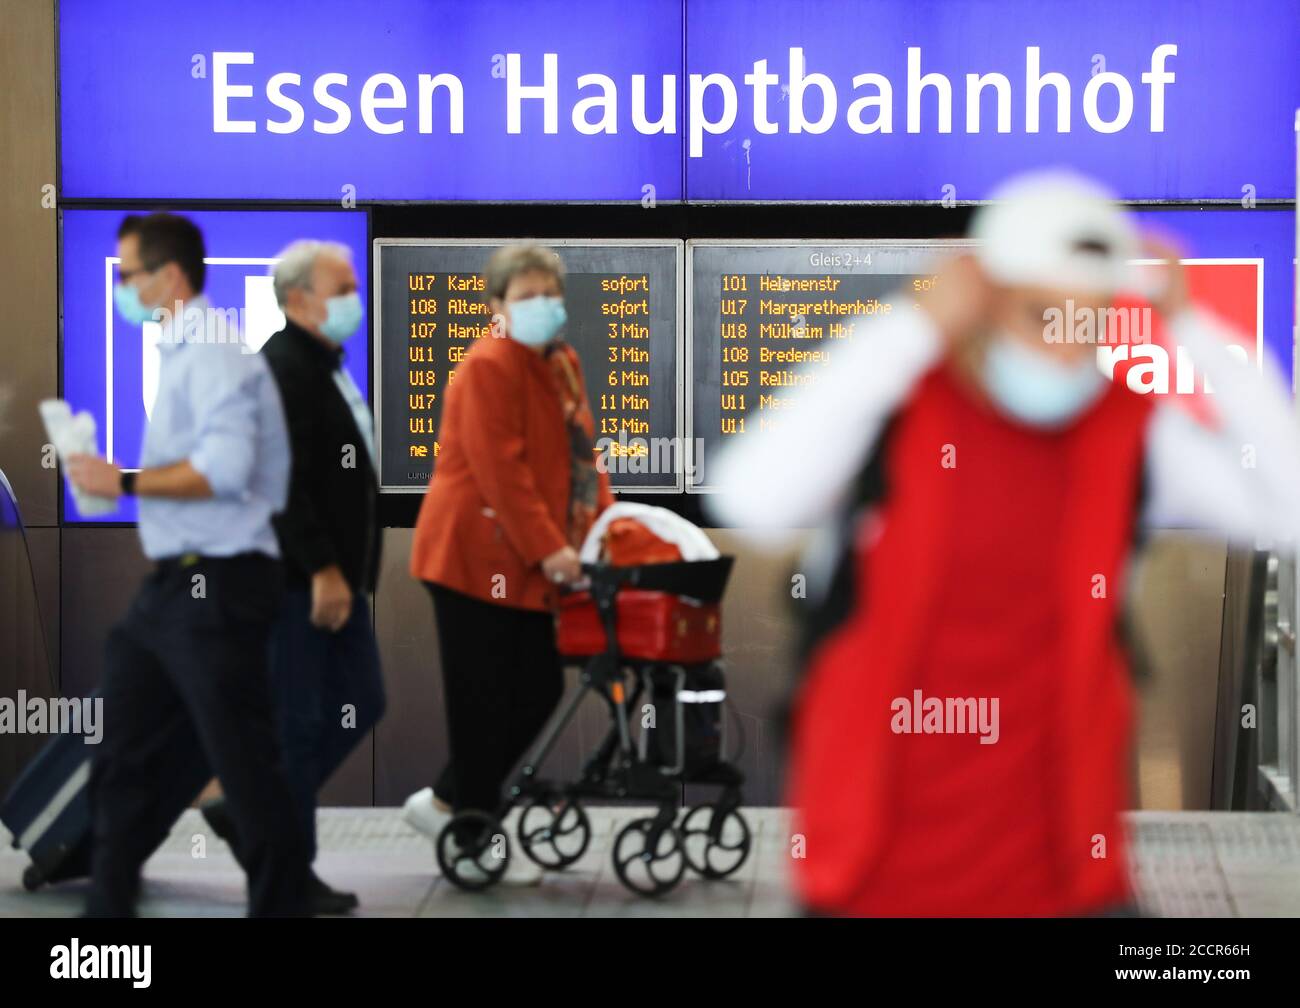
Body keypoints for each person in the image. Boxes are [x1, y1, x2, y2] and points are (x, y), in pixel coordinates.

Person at [709, 171, 1300, 917]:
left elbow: (1288, 508)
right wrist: (912, 324)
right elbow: (750, 495)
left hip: (1060, 876)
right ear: (981, 299)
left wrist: (1198, 333)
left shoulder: (1131, 435)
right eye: (1041, 314)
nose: (1063, 346)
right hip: (873, 873)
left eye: (1087, 321)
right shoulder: (897, 416)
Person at [67, 212, 310, 917]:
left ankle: (281, 905)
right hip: (173, 587)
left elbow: (227, 469)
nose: (121, 286)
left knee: (244, 764)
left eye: (128, 274)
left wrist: (127, 482)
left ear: (168, 277)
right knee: (120, 751)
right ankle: (105, 928)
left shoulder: (214, 356)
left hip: (222, 586)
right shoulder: (182, 351)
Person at [402, 243, 613, 884]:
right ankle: (469, 824)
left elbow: (583, 457)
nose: (541, 306)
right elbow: (503, 475)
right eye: (525, 297)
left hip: (527, 561)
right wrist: (551, 548)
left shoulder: (562, 364)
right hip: (472, 557)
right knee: (480, 701)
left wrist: (605, 527)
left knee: (539, 689)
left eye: (549, 294)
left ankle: (441, 804)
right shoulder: (487, 366)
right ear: (496, 306)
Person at [197, 241, 385, 915]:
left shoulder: (323, 366)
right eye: (343, 286)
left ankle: (248, 812)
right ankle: (284, 873)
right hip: (297, 585)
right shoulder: (279, 370)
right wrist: (326, 571)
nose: (353, 298)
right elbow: (278, 487)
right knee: (299, 725)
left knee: (359, 701)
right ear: (300, 298)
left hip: (335, 582)